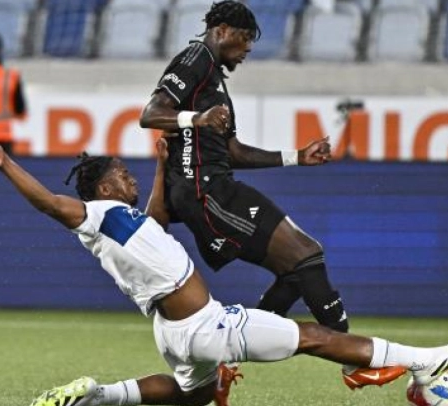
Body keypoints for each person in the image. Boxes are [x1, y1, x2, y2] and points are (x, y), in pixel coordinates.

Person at [0, 137, 448, 406]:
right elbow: (50, 204)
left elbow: (157, 219)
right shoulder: (96, 215)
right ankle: (422, 361)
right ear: (101, 188)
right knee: (314, 337)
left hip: (174, 333)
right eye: (121, 174)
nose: (127, 177)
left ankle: (98, 396)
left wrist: (162, 166)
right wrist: (6, 162)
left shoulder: (122, 220)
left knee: (193, 397)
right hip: (207, 324)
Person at [139, 1, 386, 393]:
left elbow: (233, 151)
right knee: (306, 255)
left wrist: (296, 157)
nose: (248, 48)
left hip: (214, 187)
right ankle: (354, 362)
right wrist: (197, 119)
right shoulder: (194, 59)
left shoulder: (213, 78)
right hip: (207, 192)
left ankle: (226, 363)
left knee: (296, 271)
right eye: (243, 38)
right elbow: (151, 112)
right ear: (221, 30)